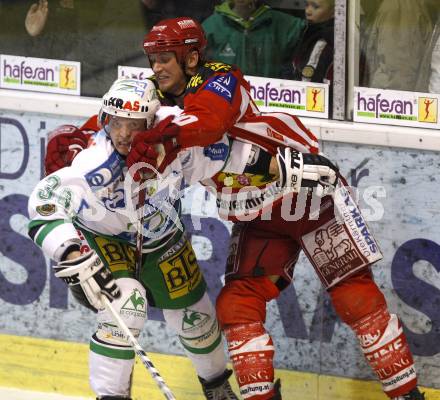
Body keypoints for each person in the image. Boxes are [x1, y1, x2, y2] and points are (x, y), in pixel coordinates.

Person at [44, 17, 426, 400]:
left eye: (165, 59)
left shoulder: (221, 79)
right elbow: (120, 121)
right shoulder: (156, 97)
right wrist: (78, 139)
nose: (155, 68)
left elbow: (208, 124)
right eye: (152, 60)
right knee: (237, 305)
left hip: (304, 193)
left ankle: (407, 394)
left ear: (191, 57)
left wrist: (164, 139)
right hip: (256, 211)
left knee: (353, 295)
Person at [29, 78, 240, 400]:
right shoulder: (96, 162)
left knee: (197, 321)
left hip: (162, 238)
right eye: (116, 123)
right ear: (105, 121)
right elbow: (44, 200)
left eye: (134, 124)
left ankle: (217, 388)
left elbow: (226, 152)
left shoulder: (177, 136)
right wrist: (69, 251)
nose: (124, 134)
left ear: (152, 121)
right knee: (126, 309)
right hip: (105, 238)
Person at [202, 0, 305, 78]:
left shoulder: (283, 24)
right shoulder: (211, 26)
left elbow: (314, 30)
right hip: (224, 99)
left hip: (270, 97)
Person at [360, 0, 433, 91]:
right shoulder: (399, 6)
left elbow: (395, 72)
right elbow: (395, 69)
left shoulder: (400, 6)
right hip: (391, 95)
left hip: (391, 96)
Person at [282, 0, 334, 84]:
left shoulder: (325, 41)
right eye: (306, 5)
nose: (308, 11)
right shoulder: (305, 32)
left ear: (334, 11)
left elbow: (309, 81)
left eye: (315, 7)